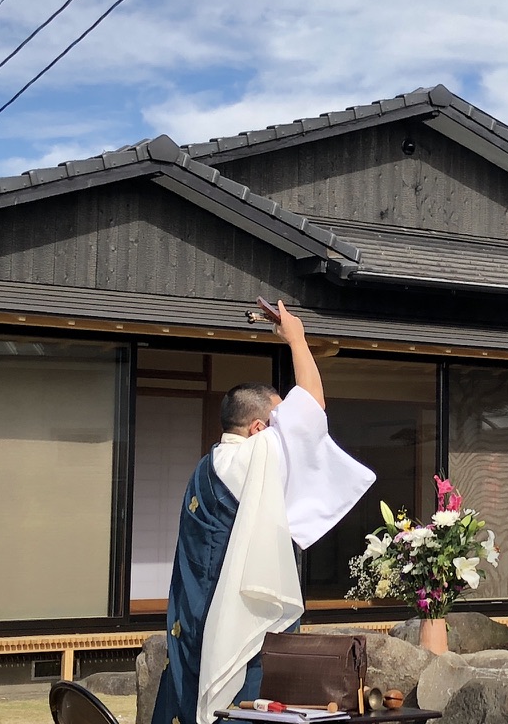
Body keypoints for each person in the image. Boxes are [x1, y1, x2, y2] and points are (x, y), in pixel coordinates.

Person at [151, 301, 375, 724]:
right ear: (258, 429)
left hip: (193, 618)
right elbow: (312, 406)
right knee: (240, 703)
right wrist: (296, 337)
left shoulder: (211, 464)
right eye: (277, 420)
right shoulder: (252, 457)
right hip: (236, 624)